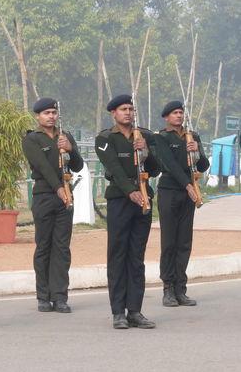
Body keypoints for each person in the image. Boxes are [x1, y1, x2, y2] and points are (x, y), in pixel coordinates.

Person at [95, 94, 161, 329]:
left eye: (131, 109)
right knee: (118, 255)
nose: (128, 113)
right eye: (123, 109)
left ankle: (135, 310)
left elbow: (155, 169)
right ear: (113, 113)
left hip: (143, 199)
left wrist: (146, 152)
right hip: (121, 201)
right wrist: (130, 191)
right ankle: (118, 312)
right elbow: (113, 167)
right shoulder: (105, 138)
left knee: (136, 257)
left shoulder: (145, 136)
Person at [22, 98, 84, 313]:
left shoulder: (64, 136)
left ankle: (60, 296)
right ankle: (43, 295)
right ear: (37, 116)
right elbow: (42, 166)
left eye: (54, 113)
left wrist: (70, 149)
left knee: (62, 246)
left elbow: (78, 165)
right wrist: (58, 188)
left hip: (65, 194)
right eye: (46, 113)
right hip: (45, 195)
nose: (51, 116)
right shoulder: (32, 139)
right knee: (44, 245)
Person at [155, 101, 209, 307]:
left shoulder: (192, 136)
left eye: (181, 113)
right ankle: (167, 287)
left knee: (184, 241)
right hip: (170, 191)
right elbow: (168, 164)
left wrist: (197, 151)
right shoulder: (161, 138)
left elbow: (203, 166)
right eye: (175, 113)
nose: (179, 116)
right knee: (169, 241)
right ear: (167, 117)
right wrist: (188, 186)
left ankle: (181, 288)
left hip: (188, 193)